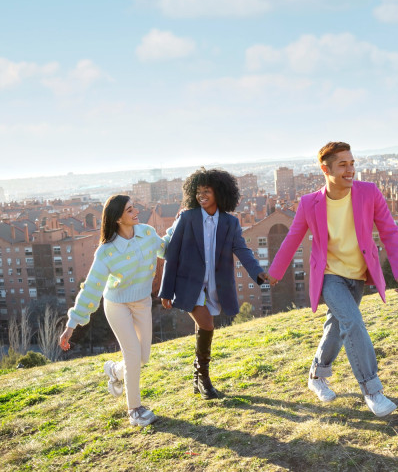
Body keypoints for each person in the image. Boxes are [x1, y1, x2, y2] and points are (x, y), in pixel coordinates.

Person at [268, 141, 398, 417]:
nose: (350, 170)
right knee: (353, 323)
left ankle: (316, 375)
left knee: (336, 327)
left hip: (358, 275)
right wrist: (274, 273)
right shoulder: (310, 203)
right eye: (343, 165)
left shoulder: (369, 193)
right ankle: (372, 391)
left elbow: (389, 231)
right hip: (330, 276)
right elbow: (292, 238)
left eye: (352, 163)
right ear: (326, 169)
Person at [158, 168, 274, 399]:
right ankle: (204, 381)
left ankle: (197, 379)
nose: (201, 196)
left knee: (203, 327)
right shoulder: (187, 218)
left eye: (207, 191)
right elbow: (172, 254)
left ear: (220, 193)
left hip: (214, 285)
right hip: (188, 284)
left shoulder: (230, 222)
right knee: (207, 325)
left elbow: (241, 249)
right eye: (198, 191)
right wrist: (166, 290)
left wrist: (258, 273)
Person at [59, 195, 171, 427]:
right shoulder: (106, 252)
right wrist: (71, 325)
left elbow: (166, 250)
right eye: (130, 210)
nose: (136, 212)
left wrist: (180, 226)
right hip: (117, 305)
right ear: (118, 218)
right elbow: (91, 288)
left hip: (142, 302)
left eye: (134, 208)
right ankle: (135, 410)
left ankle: (115, 371)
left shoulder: (147, 233)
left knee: (143, 357)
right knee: (132, 354)